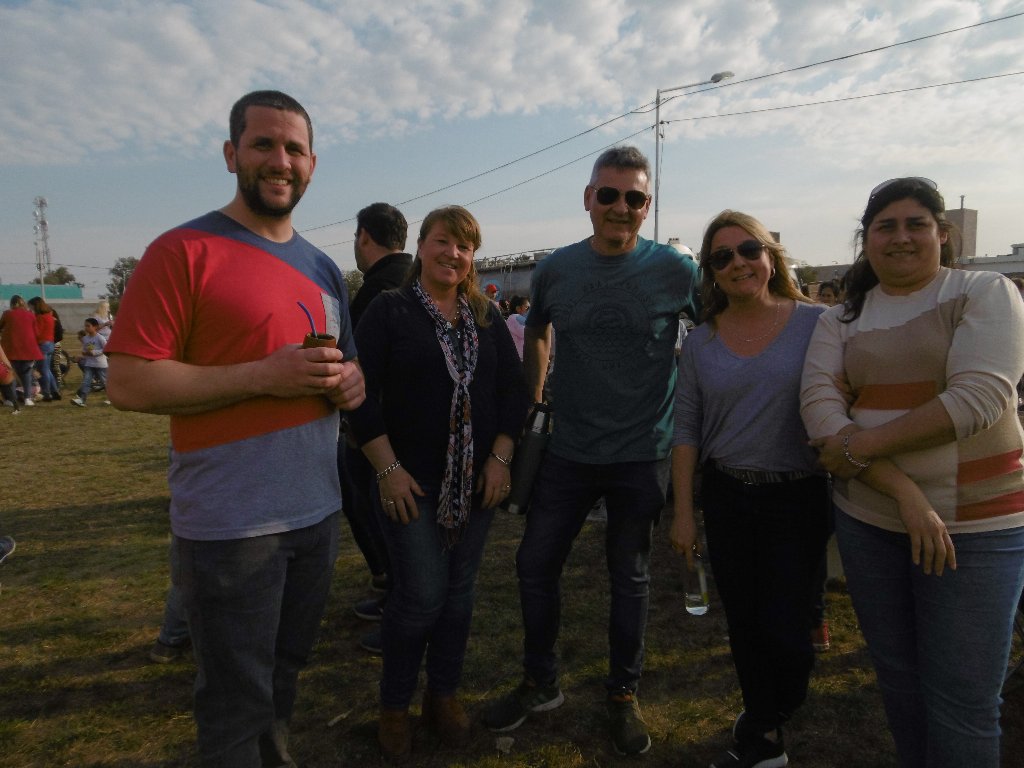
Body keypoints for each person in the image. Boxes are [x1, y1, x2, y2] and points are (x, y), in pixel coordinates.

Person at [105, 90, 365, 767]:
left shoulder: (322, 267)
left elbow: (345, 369)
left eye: (294, 149)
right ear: (231, 154)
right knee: (232, 705)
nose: (280, 160)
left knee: (283, 679)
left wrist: (351, 384)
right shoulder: (183, 250)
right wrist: (261, 376)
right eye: (263, 144)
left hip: (316, 514)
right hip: (229, 528)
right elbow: (129, 381)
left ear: (312, 164)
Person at [482, 146, 701, 756]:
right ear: (588, 199)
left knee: (629, 577)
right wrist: (535, 396)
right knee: (533, 565)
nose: (620, 207)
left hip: (642, 452)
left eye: (634, 198)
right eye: (609, 195)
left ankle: (622, 695)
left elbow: (712, 336)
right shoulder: (556, 271)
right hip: (570, 450)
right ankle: (540, 681)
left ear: (646, 205)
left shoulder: (677, 272)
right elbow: (541, 330)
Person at [800, 177, 1024, 768]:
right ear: (866, 240)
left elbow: (979, 399)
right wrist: (902, 491)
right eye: (885, 226)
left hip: (976, 528)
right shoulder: (842, 318)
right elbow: (820, 407)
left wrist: (857, 447)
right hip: (870, 518)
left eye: (915, 224)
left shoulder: (985, 290)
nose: (901, 237)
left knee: (964, 701)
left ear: (942, 235)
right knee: (897, 678)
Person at [670, 210, 830, 768]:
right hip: (729, 496)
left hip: (799, 498)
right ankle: (762, 735)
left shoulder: (818, 324)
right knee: (745, 624)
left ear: (769, 256)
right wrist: (683, 513)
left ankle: (766, 717)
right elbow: (686, 429)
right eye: (721, 257)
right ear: (710, 273)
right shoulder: (701, 343)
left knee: (788, 630)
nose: (737, 263)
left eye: (747, 251)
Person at [341, 201, 414, 655]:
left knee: (380, 515)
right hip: (409, 427)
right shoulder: (416, 278)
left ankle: (400, 609)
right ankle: (391, 591)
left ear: (364, 237)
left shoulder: (377, 292)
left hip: (379, 430)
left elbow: (356, 368)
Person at [0, 296, 42, 406]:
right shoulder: (31, 315)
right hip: (28, 349)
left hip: (11, 349)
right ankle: (28, 398)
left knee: (11, 374)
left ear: (12, 304)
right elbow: (37, 333)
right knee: (27, 375)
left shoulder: (7, 314)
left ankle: (11, 399)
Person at [27, 297, 60, 401]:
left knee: (43, 370)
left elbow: (38, 333)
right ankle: (54, 391)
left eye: (31, 306)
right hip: (50, 343)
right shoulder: (49, 316)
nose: (30, 308)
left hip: (43, 344)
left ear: (35, 306)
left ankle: (47, 393)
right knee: (47, 369)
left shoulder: (40, 317)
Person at [70, 318, 108, 407]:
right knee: (86, 382)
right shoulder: (85, 339)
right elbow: (84, 349)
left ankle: (112, 398)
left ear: (95, 327)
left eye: (88, 326)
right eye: (85, 326)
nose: (86, 328)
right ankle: (82, 400)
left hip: (100, 365)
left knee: (105, 383)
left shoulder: (100, 338)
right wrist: (84, 353)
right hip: (89, 364)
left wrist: (94, 352)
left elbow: (106, 349)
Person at [504, 295, 530, 360]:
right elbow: (529, 334)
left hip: (520, 357)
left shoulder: (512, 318)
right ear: (518, 308)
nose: (529, 310)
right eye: (527, 307)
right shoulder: (515, 317)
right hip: (520, 358)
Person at [0, 341, 18, 414]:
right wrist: (11, 368)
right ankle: (16, 408)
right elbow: (4, 358)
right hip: (1, 371)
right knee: (9, 388)